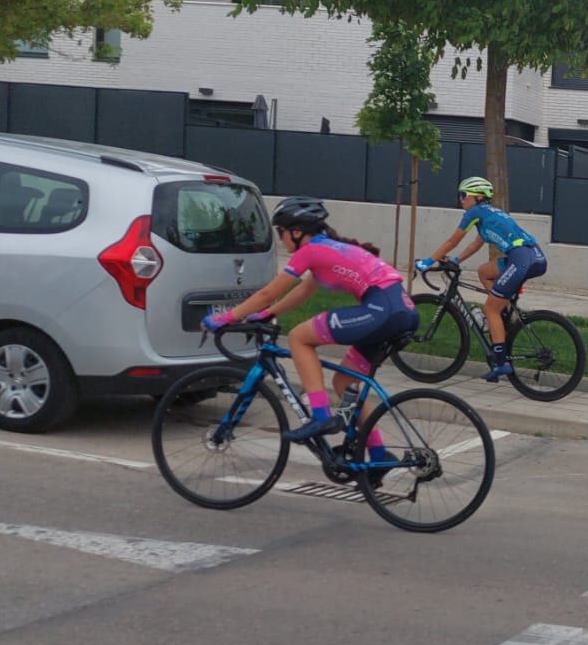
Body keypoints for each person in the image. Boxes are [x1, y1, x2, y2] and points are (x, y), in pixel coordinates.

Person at [204, 199, 415, 464]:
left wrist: (226, 317)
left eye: (280, 232)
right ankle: (378, 455)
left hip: (381, 310)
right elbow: (302, 292)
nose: (280, 239)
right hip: (401, 311)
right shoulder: (328, 249)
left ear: (296, 231)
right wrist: (269, 313)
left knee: (299, 337)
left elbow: (269, 292)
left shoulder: (311, 251)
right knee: (344, 383)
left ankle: (321, 415)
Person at [417, 176, 547, 382]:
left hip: (521, 258)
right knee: (484, 271)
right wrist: (457, 260)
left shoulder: (475, 212)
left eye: (463, 195)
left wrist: (428, 261)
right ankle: (504, 314)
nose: (461, 200)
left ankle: (501, 362)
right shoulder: (489, 214)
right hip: (532, 256)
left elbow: (453, 240)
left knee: (490, 309)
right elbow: (475, 244)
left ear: (477, 198)